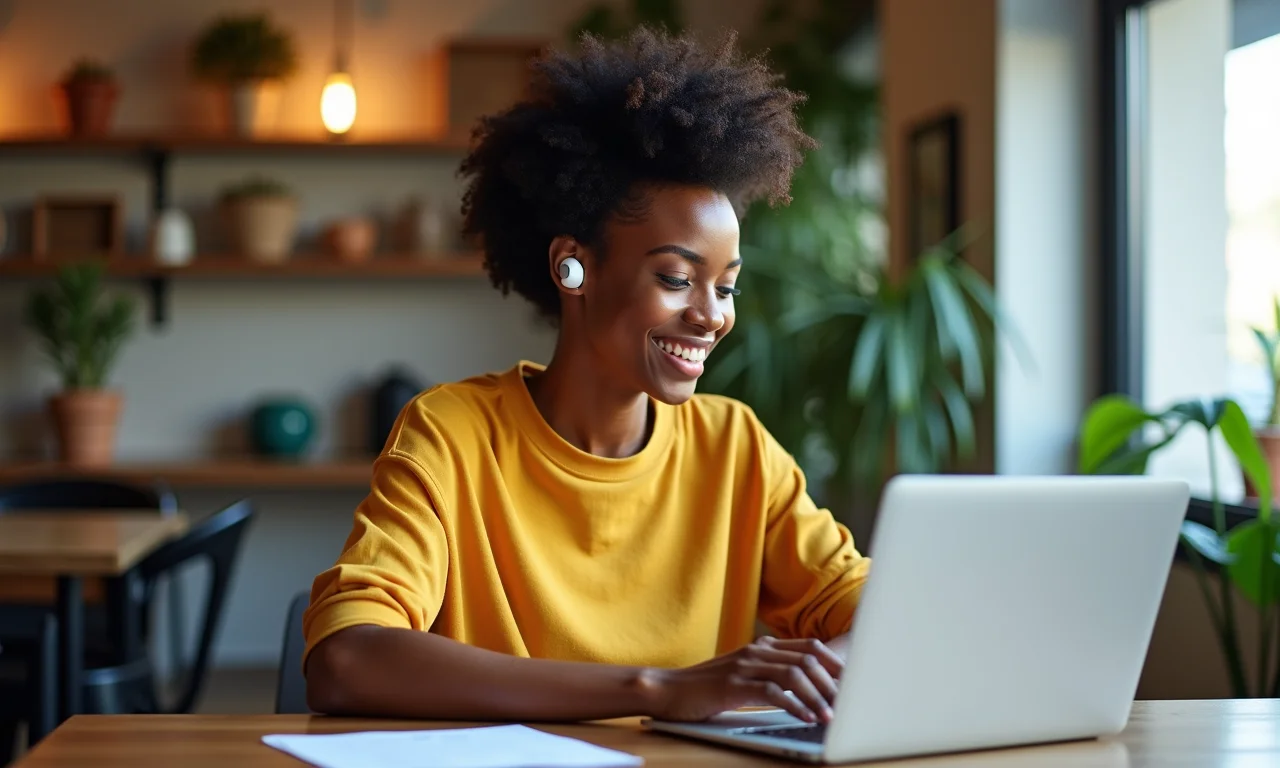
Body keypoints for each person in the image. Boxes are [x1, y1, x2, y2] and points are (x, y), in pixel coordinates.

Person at [302, 26, 871, 726]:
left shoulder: (736, 448)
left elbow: (883, 614)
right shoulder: (452, 435)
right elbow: (345, 660)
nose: (712, 316)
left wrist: (819, 672)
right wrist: (656, 691)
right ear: (573, 267)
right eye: (676, 278)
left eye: (726, 286)